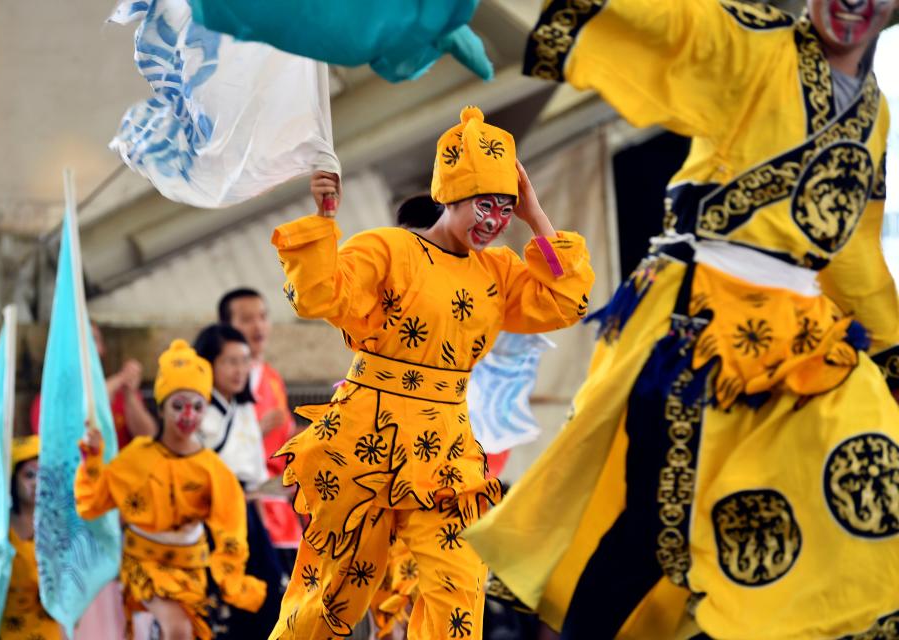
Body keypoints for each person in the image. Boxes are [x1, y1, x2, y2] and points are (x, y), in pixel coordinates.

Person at [464, 1, 899, 638]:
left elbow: (854, 249)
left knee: (860, 471)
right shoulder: (757, 42)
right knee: (654, 525)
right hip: (698, 319)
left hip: (799, 339)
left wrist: (891, 351)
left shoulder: (875, 116)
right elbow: (678, 23)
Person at [267, 105, 595, 638]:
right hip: (364, 437)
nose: (493, 220)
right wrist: (327, 218)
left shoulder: (500, 270)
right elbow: (320, 295)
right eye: (483, 205)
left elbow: (567, 301)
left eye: (504, 208)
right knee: (336, 595)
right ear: (449, 196)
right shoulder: (389, 248)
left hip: (445, 447)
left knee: (459, 591)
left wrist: (536, 216)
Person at [75, 339, 266, 640]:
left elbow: (231, 526)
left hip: (191, 567)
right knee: (177, 629)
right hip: (144, 562)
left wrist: (229, 573)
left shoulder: (212, 469)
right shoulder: (137, 457)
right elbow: (92, 502)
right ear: (162, 408)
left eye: (197, 406)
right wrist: (93, 459)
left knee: (186, 633)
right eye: (178, 406)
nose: (187, 416)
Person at [192, 323, 287, 638]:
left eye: (244, 361)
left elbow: (255, 483)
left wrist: (265, 537)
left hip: (247, 514)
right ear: (209, 364)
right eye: (230, 361)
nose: (240, 369)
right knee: (222, 602)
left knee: (269, 590)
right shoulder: (196, 410)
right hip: (212, 515)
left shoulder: (244, 408)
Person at [217, 289, 304, 553]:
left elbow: (285, 436)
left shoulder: (272, 377)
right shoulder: (224, 379)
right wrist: (259, 430)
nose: (258, 326)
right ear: (226, 328)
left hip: (280, 505)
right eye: (246, 319)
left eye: (263, 317)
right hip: (246, 507)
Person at [31, 321, 156, 448]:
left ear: (102, 348)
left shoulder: (120, 391)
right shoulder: (49, 399)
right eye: (80, 340)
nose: (87, 347)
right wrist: (115, 382)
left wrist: (129, 396)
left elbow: (148, 436)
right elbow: (59, 443)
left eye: (93, 339)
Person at [0, 435, 61, 640]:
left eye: (43, 475)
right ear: (13, 480)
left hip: (48, 625)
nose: (37, 483)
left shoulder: (55, 525)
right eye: (29, 475)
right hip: (8, 627)